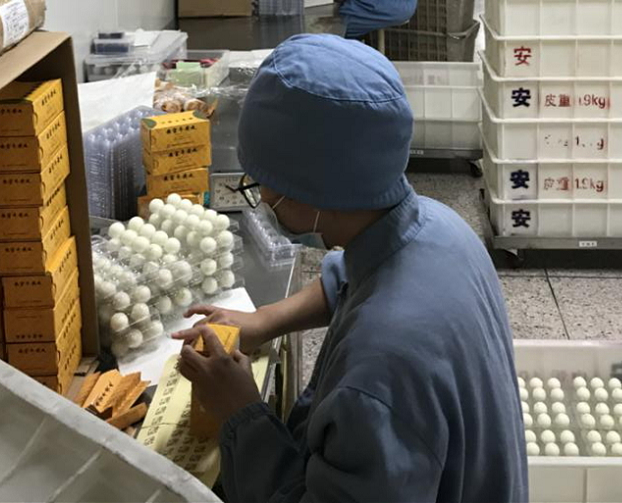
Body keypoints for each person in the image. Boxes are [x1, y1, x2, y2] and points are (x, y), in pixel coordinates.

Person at [175, 34, 528, 502]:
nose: (262, 198)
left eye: (262, 184)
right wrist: (264, 320)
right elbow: (350, 275)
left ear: (312, 193)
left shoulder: (378, 374)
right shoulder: (439, 226)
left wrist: (239, 411)